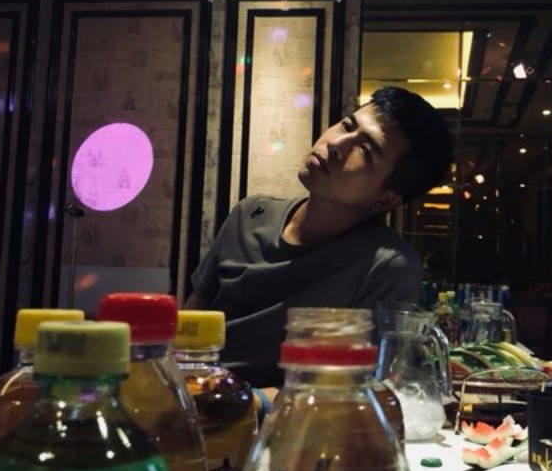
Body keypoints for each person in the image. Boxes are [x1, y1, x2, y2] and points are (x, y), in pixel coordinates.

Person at [184, 86, 453, 387]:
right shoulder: (249, 215)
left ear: (386, 200)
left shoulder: (388, 266)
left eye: (365, 151)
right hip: (196, 395)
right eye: (347, 126)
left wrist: (245, 403)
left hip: (290, 413)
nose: (335, 143)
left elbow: (359, 386)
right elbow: (187, 329)